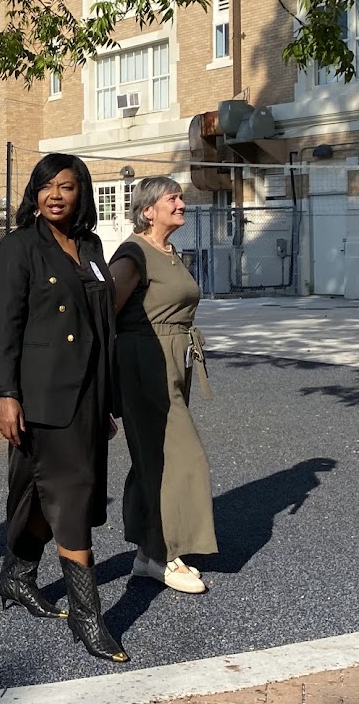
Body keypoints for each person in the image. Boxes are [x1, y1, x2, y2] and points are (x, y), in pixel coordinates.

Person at [0, 153, 128, 664]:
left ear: (81, 193)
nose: (55, 195)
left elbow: (102, 327)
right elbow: (8, 327)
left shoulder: (91, 247)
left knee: (41, 495)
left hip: (89, 395)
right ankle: (90, 619)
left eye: (66, 187)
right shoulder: (20, 247)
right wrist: (7, 394)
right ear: (34, 192)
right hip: (43, 397)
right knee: (70, 501)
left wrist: (110, 399)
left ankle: (19, 576)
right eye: (46, 186)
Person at [108, 176, 216, 595]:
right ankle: (163, 554)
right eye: (173, 198)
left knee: (153, 459)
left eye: (181, 197)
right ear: (147, 209)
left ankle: (146, 552)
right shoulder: (134, 253)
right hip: (143, 363)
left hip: (173, 361)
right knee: (182, 458)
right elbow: (106, 313)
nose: (181, 203)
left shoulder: (169, 252)